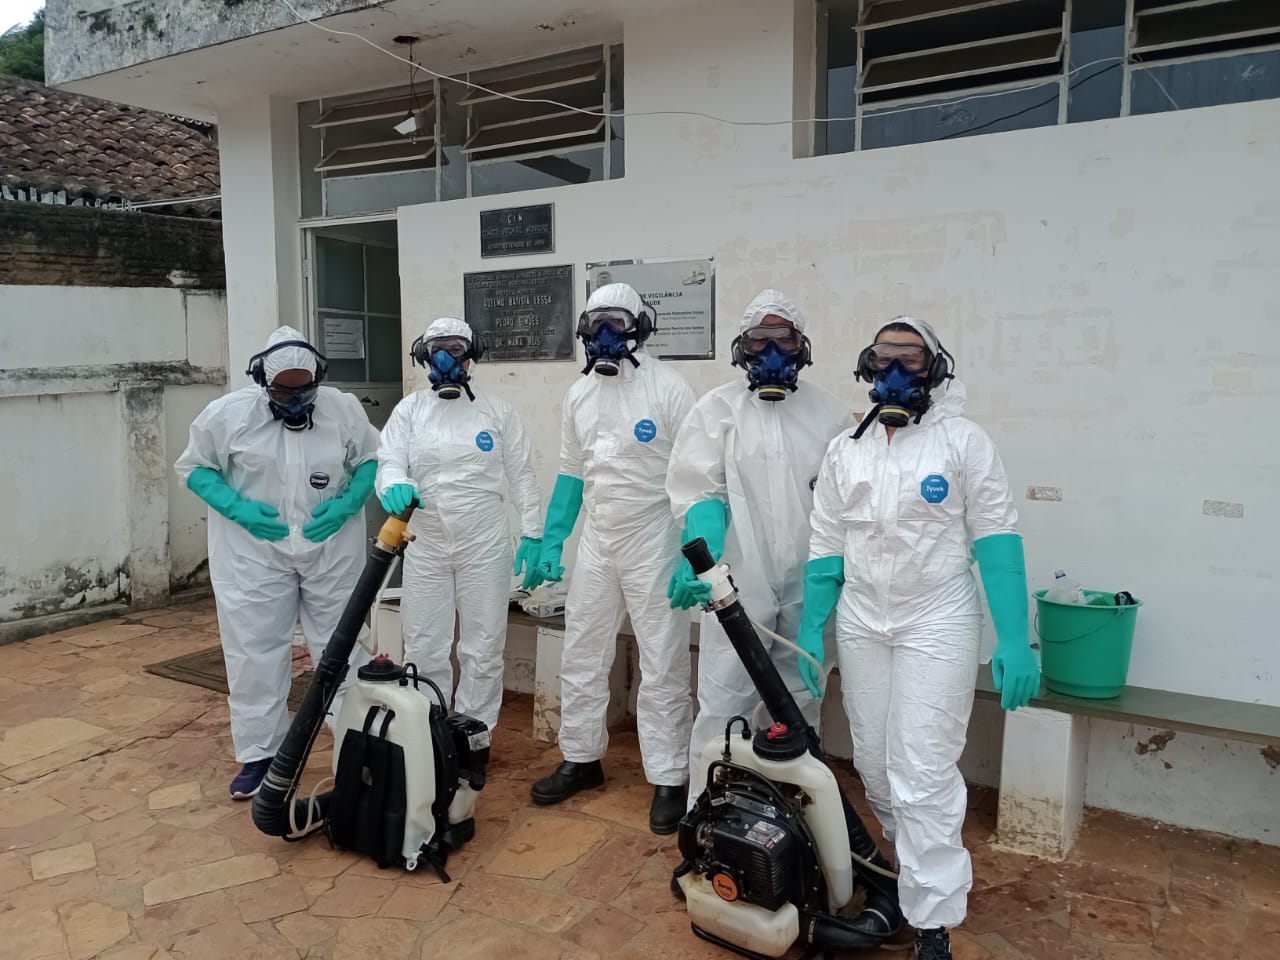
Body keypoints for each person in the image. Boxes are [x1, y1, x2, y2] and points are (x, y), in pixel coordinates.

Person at [800, 317, 1040, 960]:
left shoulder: (962, 442)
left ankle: (932, 921)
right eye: (885, 356)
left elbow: (997, 540)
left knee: (923, 767)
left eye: (911, 357)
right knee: (876, 766)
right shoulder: (846, 449)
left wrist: (1015, 639)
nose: (896, 370)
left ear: (935, 370)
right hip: (862, 620)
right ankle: (914, 873)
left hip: (937, 619)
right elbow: (826, 546)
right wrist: (811, 630)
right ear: (867, 365)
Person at [665, 289, 854, 807]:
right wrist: (700, 554)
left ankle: (790, 809)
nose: (771, 352)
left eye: (783, 339)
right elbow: (701, 491)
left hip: (810, 584)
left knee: (798, 702)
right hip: (737, 582)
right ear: (742, 347)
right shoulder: (716, 410)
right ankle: (709, 813)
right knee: (723, 698)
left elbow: (846, 504)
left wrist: (827, 595)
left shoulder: (831, 416)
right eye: (759, 340)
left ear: (801, 346)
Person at [175, 324, 381, 800]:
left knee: (344, 645)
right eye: (283, 391)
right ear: (261, 381)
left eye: (304, 390)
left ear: (318, 380)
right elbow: (194, 467)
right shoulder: (228, 415)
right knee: (254, 650)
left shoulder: (342, 409)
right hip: (254, 554)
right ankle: (259, 754)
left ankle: (356, 745)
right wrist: (238, 508)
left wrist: (350, 501)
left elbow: (372, 458)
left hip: (330, 549)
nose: (295, 400)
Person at [522, 282, 699, 834]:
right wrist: (552, 540)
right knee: (582, 651)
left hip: (654, 538)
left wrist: (693, 551)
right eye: (596, 323)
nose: (604, 335)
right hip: (599, 540)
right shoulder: (580, 394)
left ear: (639, 327)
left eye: (616, 323)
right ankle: (581, 757)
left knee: (662, 660)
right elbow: (571, 473)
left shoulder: (670, 389)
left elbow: (696, 477)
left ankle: (669, 775)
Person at [375, 316, 542, 732]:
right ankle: (427, 730)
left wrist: (534, 532)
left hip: (483, 545)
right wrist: (393, 484)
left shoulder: (496, 411)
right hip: (426, 543)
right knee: (424, 644)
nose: (447, 360)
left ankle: (474, 733)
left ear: (473, 355)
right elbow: (390, 460)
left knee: (483, 646)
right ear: (424, 356)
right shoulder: (410, 410)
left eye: (456, 350)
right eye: (438, 351)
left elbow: (522, 475)